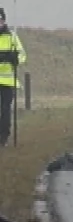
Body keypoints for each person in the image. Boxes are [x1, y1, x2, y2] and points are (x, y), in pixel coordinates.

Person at [0, 11, 24, 144]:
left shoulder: (12, 37)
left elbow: (22, 54)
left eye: (0, 20)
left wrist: (15, 58)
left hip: (8, 81)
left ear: (4, 21)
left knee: (5, 110)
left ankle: (3, 136)